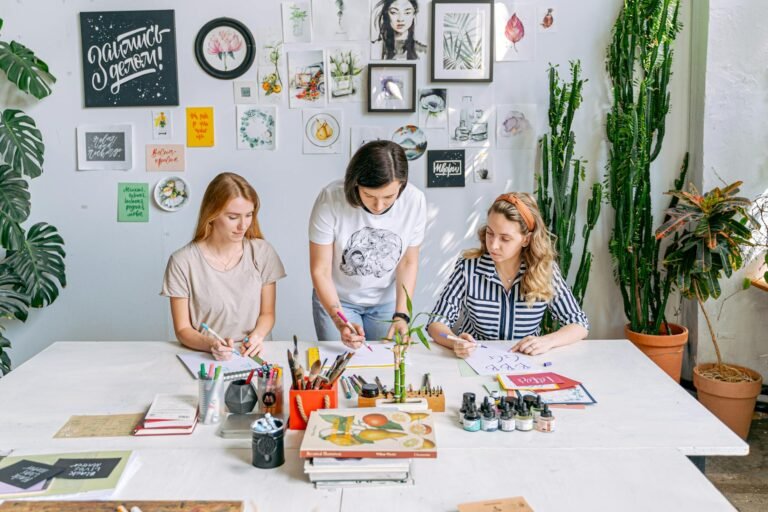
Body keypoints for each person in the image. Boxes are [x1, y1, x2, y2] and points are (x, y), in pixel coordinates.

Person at [427, 192, 588, 358]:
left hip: (526, 363)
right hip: (474, 360)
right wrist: (455, 342)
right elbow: (436, 321)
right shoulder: (467, 268)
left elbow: (579, 323)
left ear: (526, 239)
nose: (494, 245)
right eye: (490, 233)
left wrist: (547, 341)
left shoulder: (545, 270)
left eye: (505, 238)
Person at [309, 140, 426, 349]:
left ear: (402, 185)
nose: (379, 206)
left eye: (389, 196)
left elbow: (408, 262)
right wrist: (340, 321)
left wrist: (402, 314)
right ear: (355, 183)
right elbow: (321, 270)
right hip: (338, 298)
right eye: (369, 195)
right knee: (341, 361)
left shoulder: (415, 201)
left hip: (386, 302)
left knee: (384, 364)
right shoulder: (331, 199)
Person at [161, 172, 286, 360]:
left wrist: (257, 336)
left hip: (254, 354)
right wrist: (211, 344)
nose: (243, 225)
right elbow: (183, 329)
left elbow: (267, 313)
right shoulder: (182, 261)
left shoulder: (263, 252)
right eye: (233, 217)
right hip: (205, 357)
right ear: (212, 214)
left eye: (249, 215)